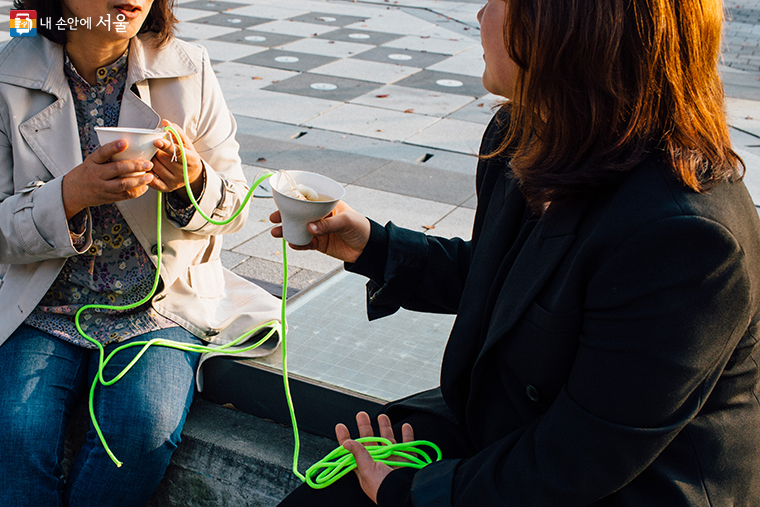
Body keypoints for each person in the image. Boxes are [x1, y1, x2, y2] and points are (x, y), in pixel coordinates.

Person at [273, 0, 760, 505]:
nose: (480, 14)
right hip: (513, 434)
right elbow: (505, 279)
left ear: (568, 28)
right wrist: (373, 246)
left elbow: (583, 454)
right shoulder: (525, 133)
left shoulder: (686, 235)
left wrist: (411, 494)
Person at [0, 1, 279, 505]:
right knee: (14, 430)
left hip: (158, 302)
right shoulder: (8, 76)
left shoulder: (187, 68)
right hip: (44, 300)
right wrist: (68, 195)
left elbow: (235, 205)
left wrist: (192, 181)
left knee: (142, 426)